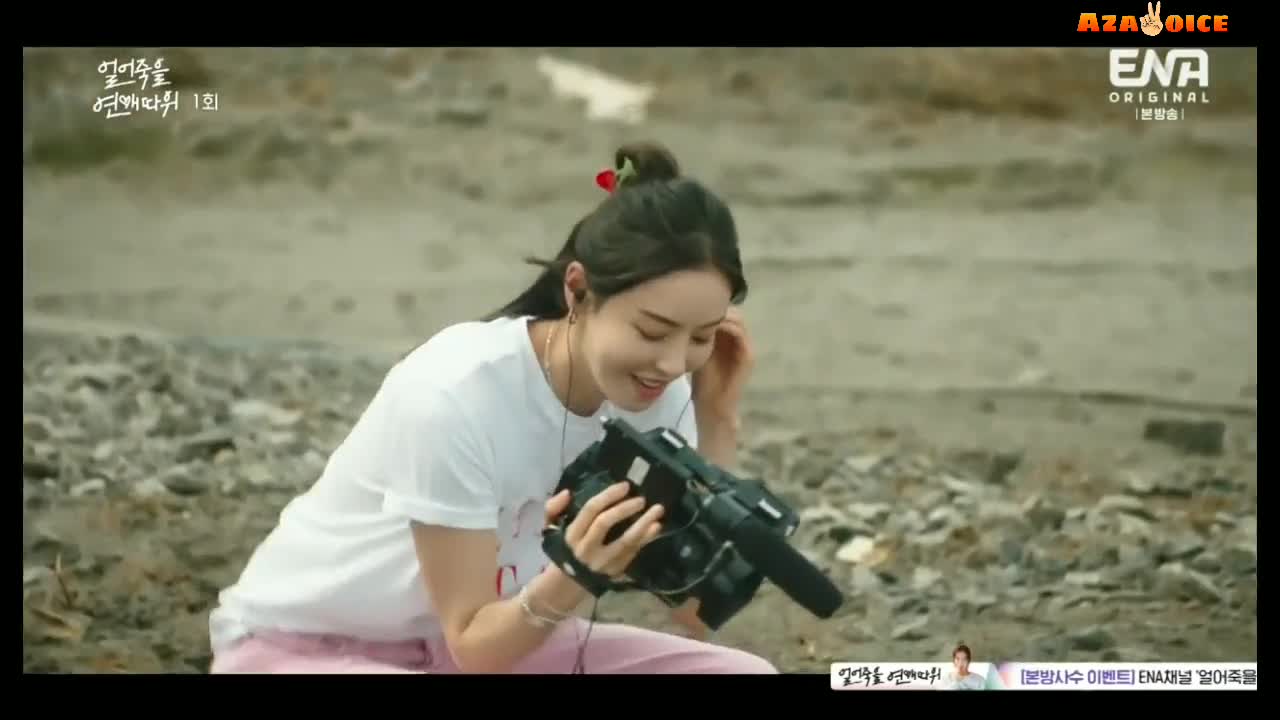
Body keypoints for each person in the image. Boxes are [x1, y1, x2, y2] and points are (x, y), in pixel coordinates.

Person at [206, 141, 779, 674]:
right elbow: (474, 645)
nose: (673, 361)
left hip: (494, 646)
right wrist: (577, 572)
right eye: (652, 331)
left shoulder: (659, 394)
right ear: (578, 290)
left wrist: (716, 418)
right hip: (301, 646)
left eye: (701, 336)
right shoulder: (453, 394)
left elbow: (694, 612)